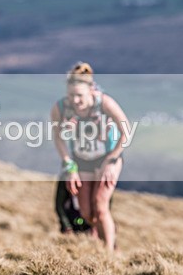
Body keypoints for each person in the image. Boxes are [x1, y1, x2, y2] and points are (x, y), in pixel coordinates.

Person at [50, 62, 129, 251]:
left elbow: (126, 132)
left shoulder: (105, 103)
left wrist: (112, 160)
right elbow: (58, 137)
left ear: (91, 90)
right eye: (71, 95)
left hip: (107, 158)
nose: (75, 100)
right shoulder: (60, 108)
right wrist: (69, 165)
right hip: (81, 160)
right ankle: (102, 238)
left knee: (100, 206)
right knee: (86, 212)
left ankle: (110, 254)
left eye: (80, 95)